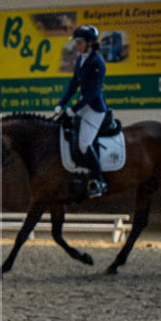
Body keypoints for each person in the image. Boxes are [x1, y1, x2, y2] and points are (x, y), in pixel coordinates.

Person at [55, 24, 108, 198]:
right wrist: (61, 103)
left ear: (90, 43)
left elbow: (93, 93)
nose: (77, 46)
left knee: (84, 144)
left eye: (79, 42)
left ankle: (99, 181)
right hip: (82, 106)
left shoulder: (97, 62)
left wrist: (74, 109)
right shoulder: (81, 59)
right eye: (76, 42)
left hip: (94, 109)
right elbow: (74, 83)